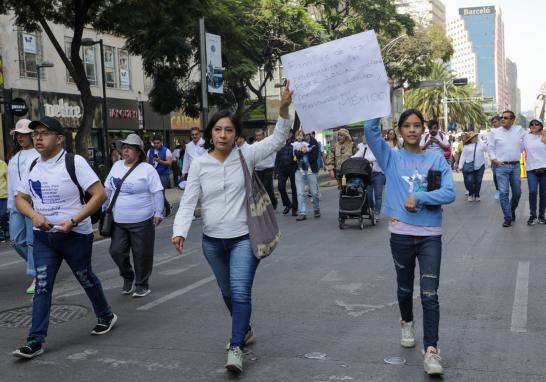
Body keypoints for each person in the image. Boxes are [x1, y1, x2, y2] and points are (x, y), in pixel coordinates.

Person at [172, 83, 293, 374]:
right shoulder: (200, 165)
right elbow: (188, 201)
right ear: (209, 133)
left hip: (243, 239)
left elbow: (278, 139)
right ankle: (246, 328)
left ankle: (235, 345)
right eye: (218, 130)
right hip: (212, 243)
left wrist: (284, 109)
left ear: (236, 134)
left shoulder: (247, 155)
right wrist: (180, 231)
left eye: (228, 130)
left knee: (240, 292)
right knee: (227, 292)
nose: (223, 135)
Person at [13, 116, 116, 359]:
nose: (38, 137)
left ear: (59, 138)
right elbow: (20, 199)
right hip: (43, 237)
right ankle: (35, 340)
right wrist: (34, 215)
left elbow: (99, 194)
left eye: (44, 133)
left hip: (75, 236)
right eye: (35, 133)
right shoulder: (31, 165)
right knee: (42, 285)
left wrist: (74, 221)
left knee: (85, 276)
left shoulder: (74, 162)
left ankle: (106, 314)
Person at [364, 109, 455, 376]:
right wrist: (379, 102)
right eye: (407, 126)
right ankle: (406, 321)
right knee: (404, 289)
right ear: (400, 130)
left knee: (429, 293)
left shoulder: (436, 159)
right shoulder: (391, 157)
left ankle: (431, 351)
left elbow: (449, 192)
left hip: (430, 236)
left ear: (423, 128)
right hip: (401, 234)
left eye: (417, 125)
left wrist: (420, 198)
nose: (412, 130)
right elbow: (371, 132)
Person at [105, 134, 164, 297]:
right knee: (116, 251)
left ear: (139, 152)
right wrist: (104, 207)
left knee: (142, 253)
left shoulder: (147, 169)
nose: (126, 151)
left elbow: (157, 191)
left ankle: (142, 284)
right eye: (124, 147)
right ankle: (128, 276)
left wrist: (158, 212)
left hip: (142, 220)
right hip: (118, 220)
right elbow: (108, 189)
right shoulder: (116, 166)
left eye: (130, 148)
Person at [7, 119, 39, 294]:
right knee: (15, 241)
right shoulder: (14, 157)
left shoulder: (37, 154)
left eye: (23, 134)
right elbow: (12, 183)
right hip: (15, 204)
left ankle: (38, 276)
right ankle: (42, 266)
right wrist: (10, 207)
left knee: (31, 242)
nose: (20, 137)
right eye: (18, 135)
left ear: (31, 136)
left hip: (31, 202)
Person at [488, 110, 526, 227]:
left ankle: (511, 209)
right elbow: (490, 147)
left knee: (517, 193)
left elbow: (530, 137)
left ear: (512, 120)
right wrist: (495, 160)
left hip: (515, 166)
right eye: (502, 118)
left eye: (505, 118)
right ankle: (508, 217)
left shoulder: (519, 130)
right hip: (501, 166)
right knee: (503, 192)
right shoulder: (495, 132)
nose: (502, 120)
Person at [522, 119, 546, 225]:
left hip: (545, 169)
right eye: (532, 124)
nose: (534, 126)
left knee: (544, 194)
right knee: (532, 192)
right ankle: (533, 215)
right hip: (531, 169)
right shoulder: (526, 136)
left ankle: (541, 216)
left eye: (537, 124)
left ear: (541, 125)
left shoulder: (544, 136)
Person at [293, 129, 320, 220]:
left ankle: (316, 208)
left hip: (310, 170)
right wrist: (300, 152)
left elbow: (315, 155)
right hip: (299, 170)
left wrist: (306, 151)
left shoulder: (313, 141)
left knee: (314, 192)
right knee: (300, 193)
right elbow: (294, 156)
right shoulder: (295, 143)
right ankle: (302, 212)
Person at [353, 139, 385, 216]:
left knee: (378, 195)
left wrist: (371, 160)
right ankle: (372, 208)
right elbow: (355, 157)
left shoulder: (380, 148)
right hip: (368, 175)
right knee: (368, 195)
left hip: (379, 174)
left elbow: (383, 158)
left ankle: (377, 212)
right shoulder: (365, 148)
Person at [457, 132, 488, 202]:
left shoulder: (481, 144)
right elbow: (463, 156)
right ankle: (471, 193)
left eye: (476, 136)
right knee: (469, 181)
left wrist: (482, 142)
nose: (476, 138)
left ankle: (477, 195)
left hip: (480, 166)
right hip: (470, 166)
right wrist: (460, 166)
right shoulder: (466, 146)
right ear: (470, 139)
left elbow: (487, 149)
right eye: (474, 137)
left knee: (478, 181)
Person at [147, 135, 172, 216]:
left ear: (161, 142)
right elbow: (147, 163)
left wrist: (159, 161)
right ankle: (166, 206)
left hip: (163, 175)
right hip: (153, 175)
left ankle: (161, 211)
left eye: (158, 143)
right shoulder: (150, 151)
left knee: (161, 193)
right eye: (154, 143)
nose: (156, 144)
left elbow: (169, 163)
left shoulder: (166, 150)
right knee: (153, 193)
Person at [275, 129, 298, 216]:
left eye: (289, 133)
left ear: (292, 134)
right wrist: (276, 170)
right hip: (282, 169)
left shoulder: (295, 143)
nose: (288, 134)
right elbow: (277, 156)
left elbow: (298, 156)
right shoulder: (281, 143)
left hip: (293, 168)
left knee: (294, 189)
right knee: (280, 187)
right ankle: (288, 204)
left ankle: (295, 209)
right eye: (286, 133)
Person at [253, 129, 278, 210]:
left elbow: (275, 152)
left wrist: (273, 165)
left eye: (260, 135)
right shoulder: (254, 145)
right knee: (259, 188)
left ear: (263, 135)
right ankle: (264, 205)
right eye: (257, 135)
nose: (258, 137)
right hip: (258, 169)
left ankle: (273, 201)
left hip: (268, 167)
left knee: (267, 186)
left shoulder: (269, 143)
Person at [489, 116, 502, 200]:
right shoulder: (492, 133)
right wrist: (493, 158)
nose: (494, 124)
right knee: (495, 176)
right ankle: (498, 190)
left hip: (505, 159)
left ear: (500, 121)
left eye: (495, 121)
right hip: (495, 160)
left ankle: (503, 190)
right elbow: (490, 147)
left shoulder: (505, 132)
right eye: (493, 122)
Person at [0, 158, 7, 241]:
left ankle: (7, 229)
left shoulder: (2, 164)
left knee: (2, 216)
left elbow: (8, 179)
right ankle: (1, 236)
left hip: (3, 195)